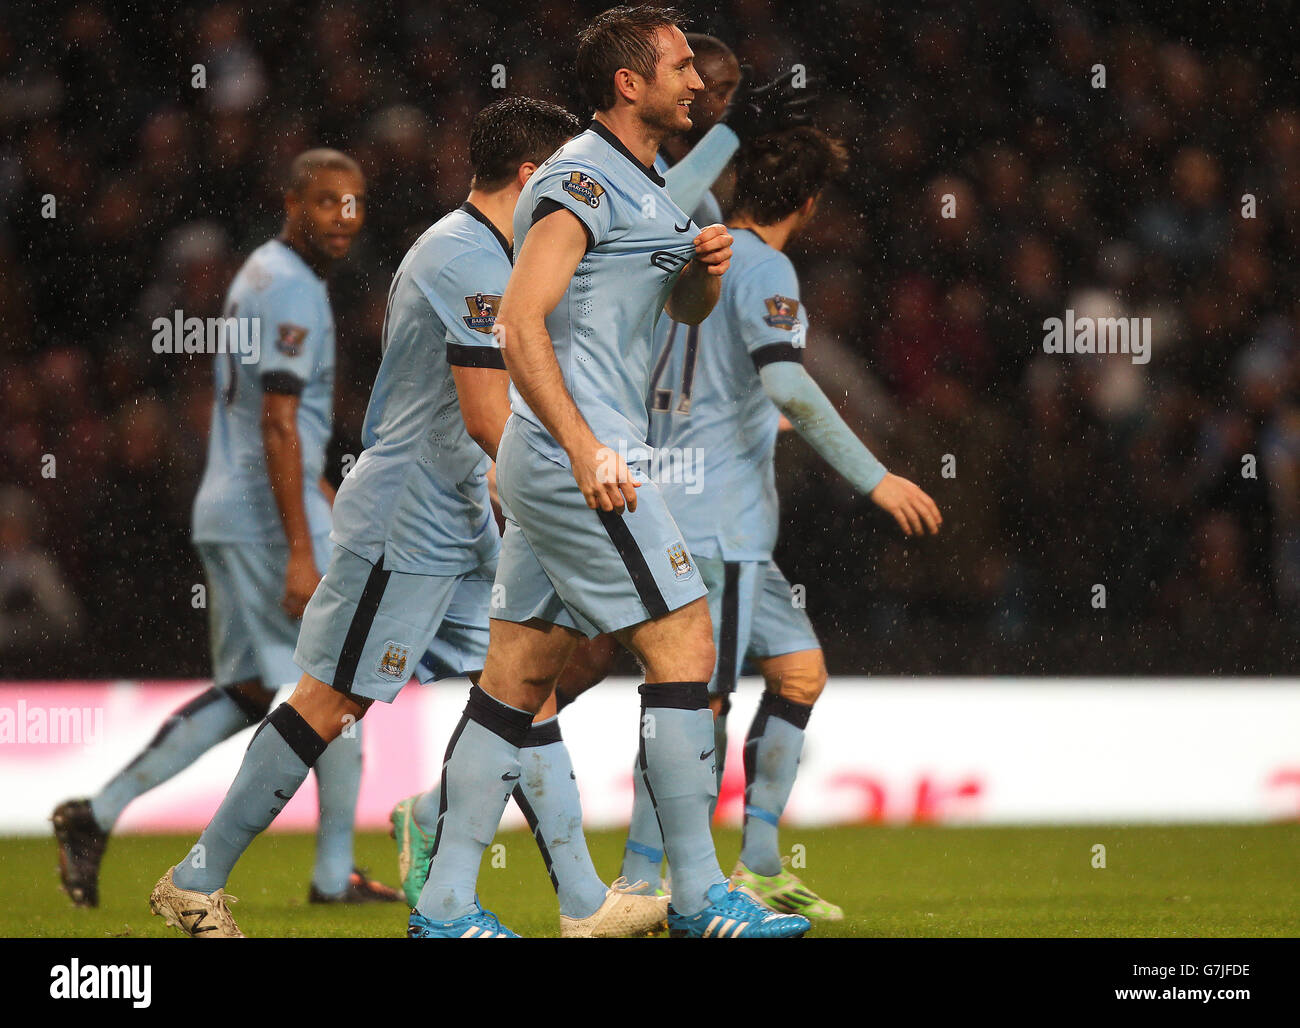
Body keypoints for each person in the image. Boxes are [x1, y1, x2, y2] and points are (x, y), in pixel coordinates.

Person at [147, 99, 665, 939]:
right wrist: (575, 478)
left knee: (523, 689)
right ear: (535, 178)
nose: (587, 194)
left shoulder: (500, 253)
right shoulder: (463, 256)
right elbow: (484, 415)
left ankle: (582, 905)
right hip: (406, 518)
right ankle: (195, 883)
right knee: (329, 701)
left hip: (459, 513)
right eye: (577, 179)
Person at [410, 5, 811, 939]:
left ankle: (442, 909)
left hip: (573, 456)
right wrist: (586, 446)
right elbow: (519, 317)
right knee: (684, 647)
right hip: (579, 458)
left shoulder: (651, 183)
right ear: (628, 84)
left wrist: (703, 269)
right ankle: (700, 899)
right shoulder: (583, 177)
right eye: (678, 65)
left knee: (514, 679)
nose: (695, 80)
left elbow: (682, 310)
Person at [53, 149, 397, 909]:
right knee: (342, 677)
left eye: (355, 202)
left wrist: (325, 490)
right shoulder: (293, 290)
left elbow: (272, 425)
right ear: (290, 202)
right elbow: (277, 423)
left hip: (236, 506)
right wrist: (304, 547)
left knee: (248, 691)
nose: (344, 217)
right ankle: (332, 871)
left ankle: (96, 813)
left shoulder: (258, 278)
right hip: (266, 518)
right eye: (326, 202)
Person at [631, 126, 942, 916]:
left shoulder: (690, 249)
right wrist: (877, 479)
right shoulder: (766, 268)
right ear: (809, 203)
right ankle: (657, 883)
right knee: (695, 704)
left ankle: (759, 862)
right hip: (716, 527)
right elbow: (792, 388)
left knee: (799, 672)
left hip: (690, 507)